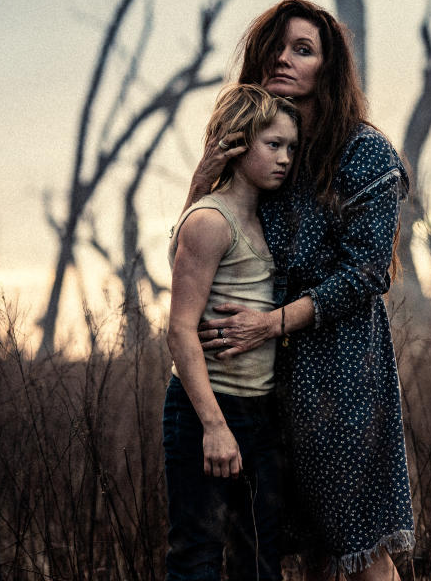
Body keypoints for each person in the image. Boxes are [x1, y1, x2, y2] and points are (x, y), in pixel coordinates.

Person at [183, 0, 414, 580]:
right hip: (261, 378)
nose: (284, 59)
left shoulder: (363, 153)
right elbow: (194, 251)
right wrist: (203, 176)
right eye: (277, 47)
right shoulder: (260, 146)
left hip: (340, 371)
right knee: (293, 543)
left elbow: (367, 274)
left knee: (355, 542)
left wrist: (274, 321)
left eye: (303, 50)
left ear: (327, 68)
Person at [165, 84, 299, 581]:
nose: (285, 158)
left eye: (290, 147)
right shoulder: (209, 220)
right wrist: (215, 428)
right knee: (196, 558)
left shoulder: (267, 219)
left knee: (259, 562)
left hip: (258, 413)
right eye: (273, 145)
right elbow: (180, 331)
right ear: (240, 142)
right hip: (206, 409)